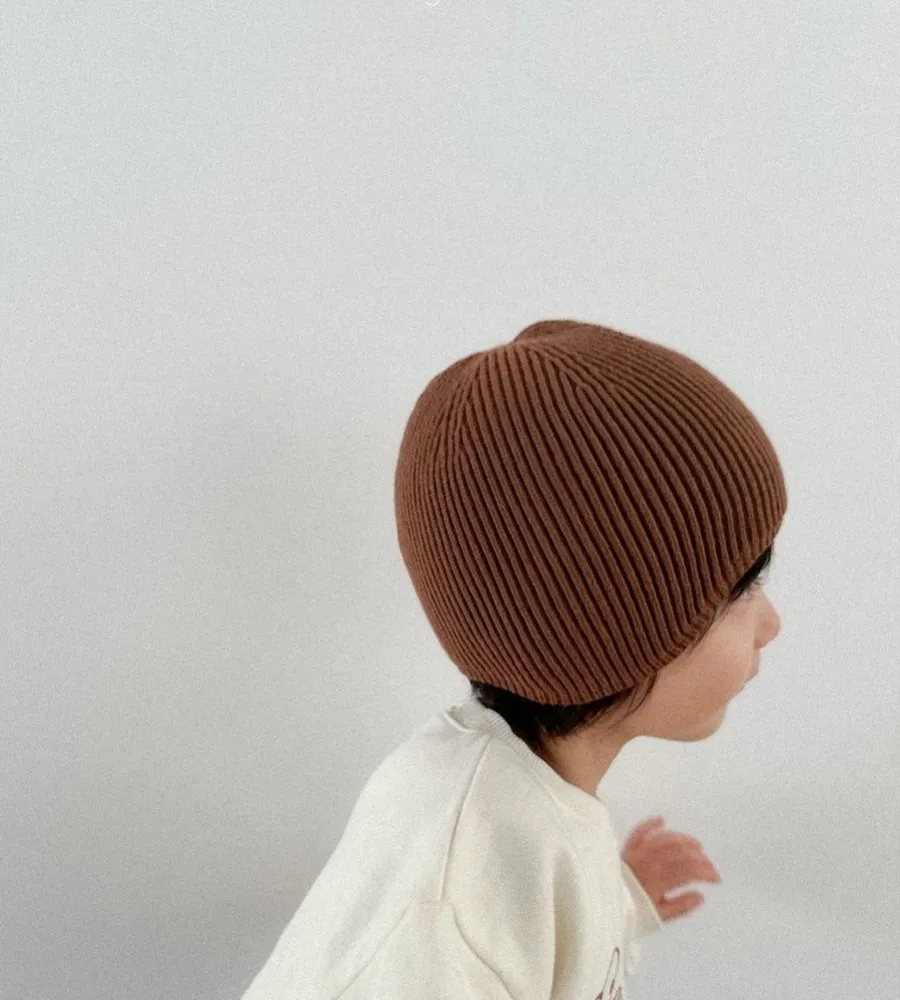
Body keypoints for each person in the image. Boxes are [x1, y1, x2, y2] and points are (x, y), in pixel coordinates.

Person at [239, 318, 788, 1000]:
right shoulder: (450, 895)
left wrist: (620, 897)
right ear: (603, 631)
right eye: (742, 590)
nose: (772, 625)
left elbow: (533, 926)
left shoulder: (525, 801)